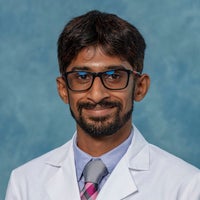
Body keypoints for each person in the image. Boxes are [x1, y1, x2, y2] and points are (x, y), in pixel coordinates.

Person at [5, 10, 200, 200]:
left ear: (140, 87)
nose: (97, 94)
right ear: (63, 89)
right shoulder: (25, 183)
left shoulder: (186, 186)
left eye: (114, 76)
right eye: (82, 76)